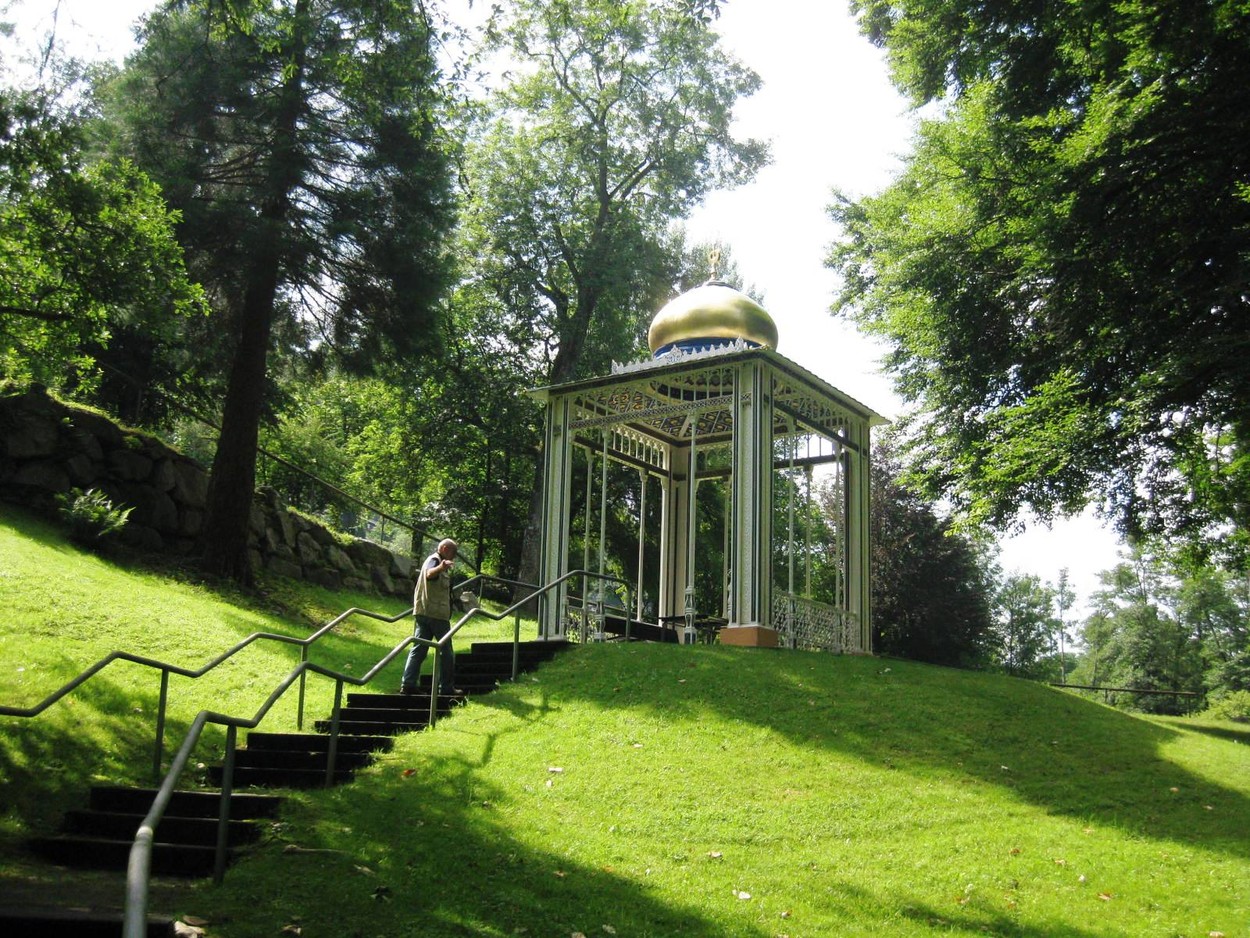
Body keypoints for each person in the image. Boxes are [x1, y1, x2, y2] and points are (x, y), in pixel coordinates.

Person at [400, 538, 460, 695]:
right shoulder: (435, 561)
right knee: (446, 652)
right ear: (445, 549)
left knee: (419, 649)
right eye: (453, 552)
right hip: (436, 615)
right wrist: (441, 567)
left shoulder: (431, 560)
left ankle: (408, 684)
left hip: (424, 612)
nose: (454, 556)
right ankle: (446, 688)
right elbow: (429, 574)